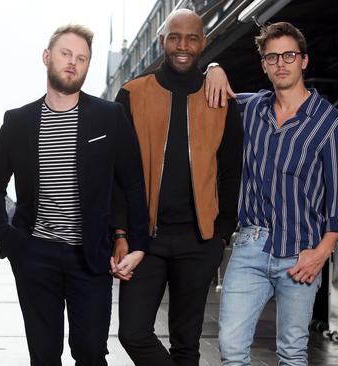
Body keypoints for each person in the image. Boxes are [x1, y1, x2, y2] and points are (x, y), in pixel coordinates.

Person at [0, 24, 150, 365]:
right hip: (34, 253)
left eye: (82, 58)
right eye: (66, 54)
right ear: (47, 57)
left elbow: (132, 183)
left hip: (90, 255)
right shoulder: (18, 121)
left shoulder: (109, 116)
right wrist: (8, 241)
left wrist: (139, 243)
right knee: (44, 356)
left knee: (90, 351)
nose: (73, 63)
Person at [210, 22, 338, 365]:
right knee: (230, 348)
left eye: (289, 55)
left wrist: (321, 253)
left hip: (302, 252)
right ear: (263, 64)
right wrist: (214, 68)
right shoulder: (251, 109)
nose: (280, 63)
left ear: (303, 60)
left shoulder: (330, 124)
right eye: (271, 57)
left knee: (291, 352)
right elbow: (217, 94)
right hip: (249, 246)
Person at [111, 9, 243, 366]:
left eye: (192, 38)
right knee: (133, 333)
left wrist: (222, 233)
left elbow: (231, 172)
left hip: (199, 242)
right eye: (174, 37)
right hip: (145, 239)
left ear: (204, 42)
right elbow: (118, 173)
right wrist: (121, 232)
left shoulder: (221, 100)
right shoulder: (132, 94)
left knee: (187, 344)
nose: (182, 46)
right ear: (162, 41)